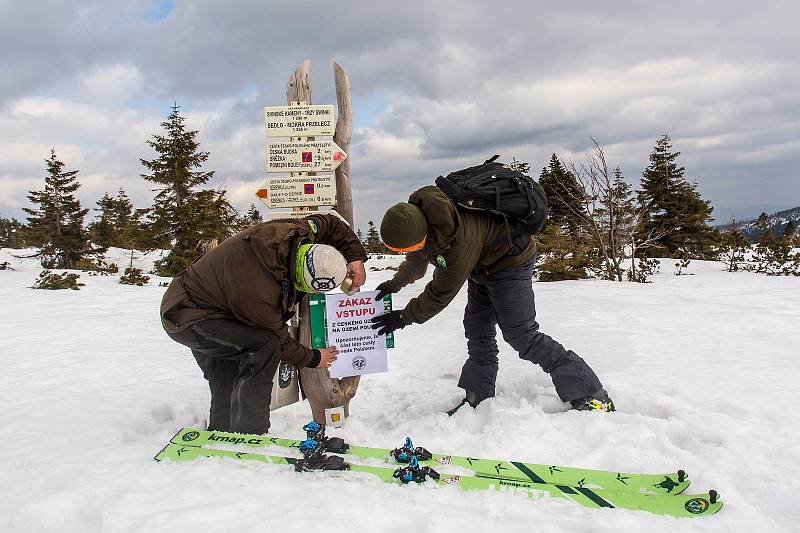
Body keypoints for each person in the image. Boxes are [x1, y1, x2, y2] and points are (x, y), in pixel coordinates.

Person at [370, 185, 613, 414]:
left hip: (510, 261)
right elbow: (418, 257)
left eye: (407, 248)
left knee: (522, 334)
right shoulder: (424, 221)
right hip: (482, 266)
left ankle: (590, 392)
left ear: (423, 233)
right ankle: (478, 396)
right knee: (477, 330)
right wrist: (395, 284)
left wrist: (403, 317)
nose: (406, 254)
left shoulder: (458, 242)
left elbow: (440, 293)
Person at [161, 213, 367, 434]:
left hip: (213, 303)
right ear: (299, 278)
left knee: (226, 373)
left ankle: (221, 432)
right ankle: (251, 433)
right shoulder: (258, 294)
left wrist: (355, 257)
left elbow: (331, 223)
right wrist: (314, 358)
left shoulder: (299, 233)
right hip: (187, 316)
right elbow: (280, 342)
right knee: (263, 347)